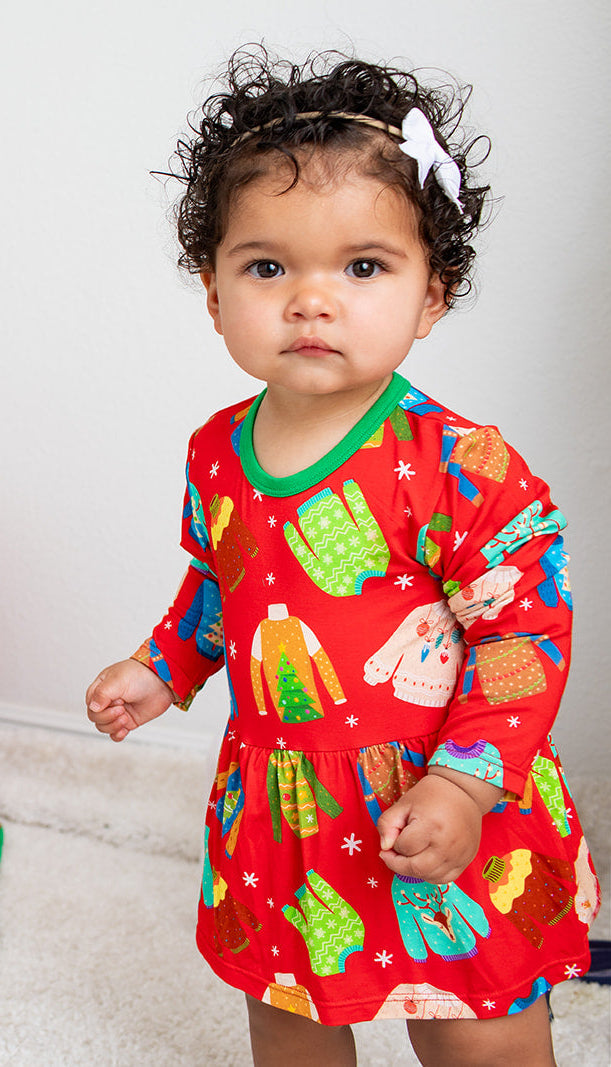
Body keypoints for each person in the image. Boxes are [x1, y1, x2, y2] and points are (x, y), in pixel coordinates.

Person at [85, 47, 600, 1067]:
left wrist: (464, 784)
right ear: (211, 291)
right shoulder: (215, 449)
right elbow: (222, 587)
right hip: (282, 811)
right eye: (267, 266)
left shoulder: (456, 462)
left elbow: (522, 628)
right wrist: (161, 666)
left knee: (473, 1019)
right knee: (287, 1006)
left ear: (431, 295)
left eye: (362, 266)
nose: (309, 299)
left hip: (438, 794)